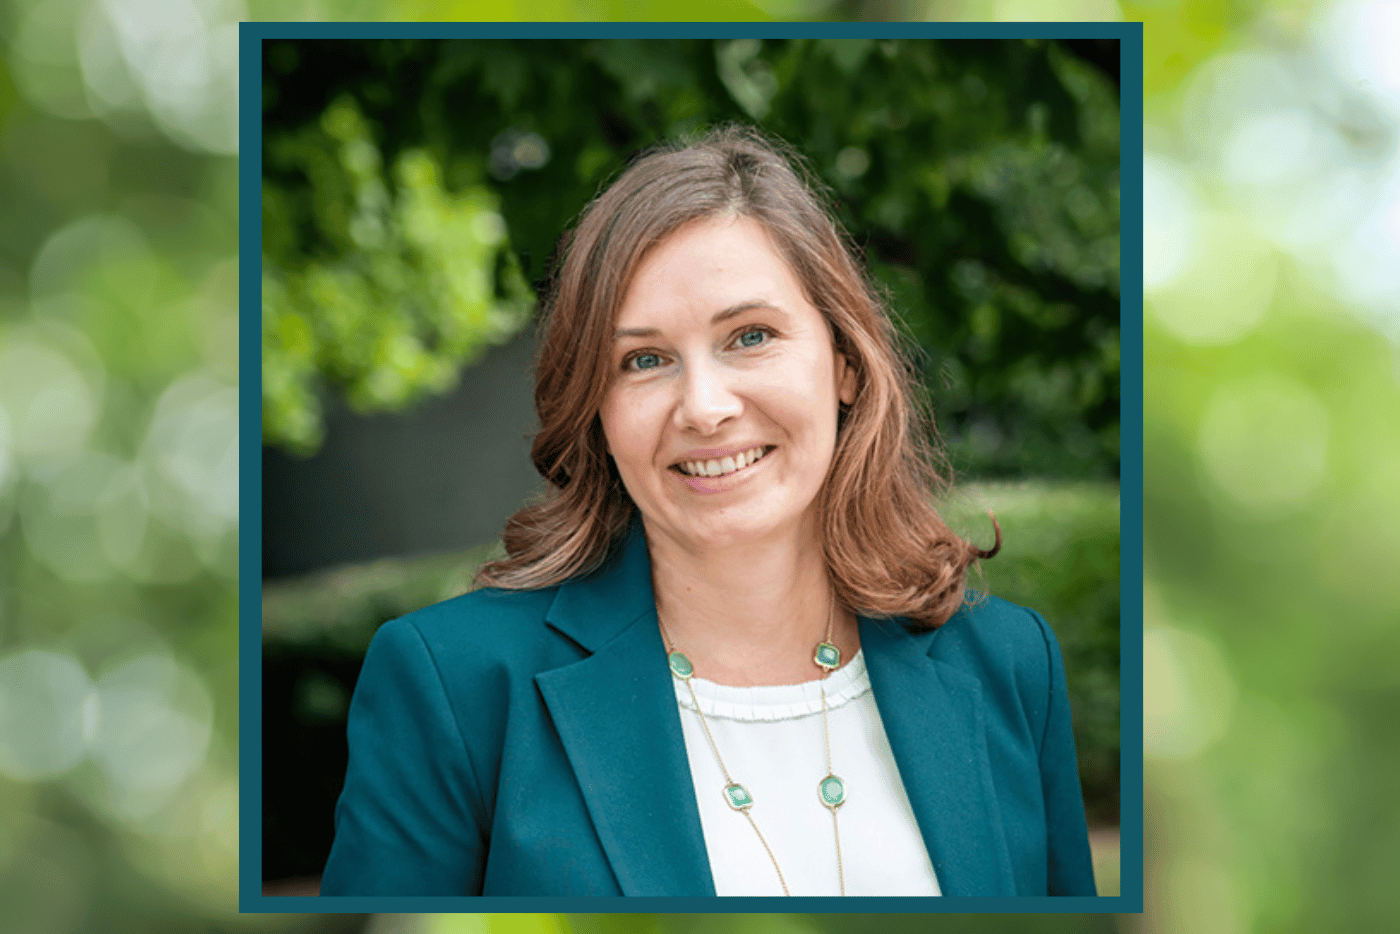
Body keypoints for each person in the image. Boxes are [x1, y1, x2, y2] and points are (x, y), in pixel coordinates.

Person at [319, 126, 1098, 898]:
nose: (704, 407)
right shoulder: (455, 685)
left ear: (846, 365)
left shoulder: (1006, 663)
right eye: (644, 360)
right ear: (596, 408)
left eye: (750, 336)